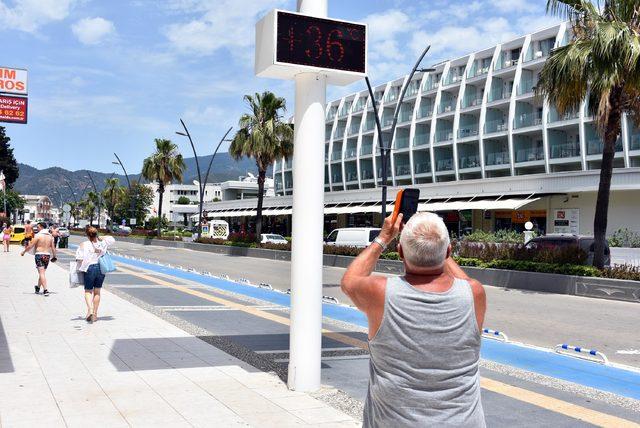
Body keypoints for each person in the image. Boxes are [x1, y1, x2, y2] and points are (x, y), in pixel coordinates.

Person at [341, 212, 487, 427]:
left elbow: (349, 281)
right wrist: (437, 247)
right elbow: (463, 281)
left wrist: (383, 238)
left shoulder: (381, 292)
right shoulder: (474, 293)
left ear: (400, 252)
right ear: (448, 251)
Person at [75, 226, 115, 323]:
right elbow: (112, 239)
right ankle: (95, 314)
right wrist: (100, 237)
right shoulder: (103, 243)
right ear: (96, 234)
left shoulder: (84, 244)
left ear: (87, 235)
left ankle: (90, 310)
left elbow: (79, 258)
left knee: (88, 291)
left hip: (90, 268)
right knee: (97, 291)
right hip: (101, 268)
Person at [21, 222, 56, 295]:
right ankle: (38, 287)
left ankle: (46, 290)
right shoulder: (50, 237)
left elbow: (31, 246)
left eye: (38, 227)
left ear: (41, 227)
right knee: (42, 273)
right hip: (47, 255)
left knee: (41, 273)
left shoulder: (38, 235)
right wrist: (54, 256)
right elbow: (53, 248)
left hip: (39, 255)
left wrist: (24, 252)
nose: (37, 228)